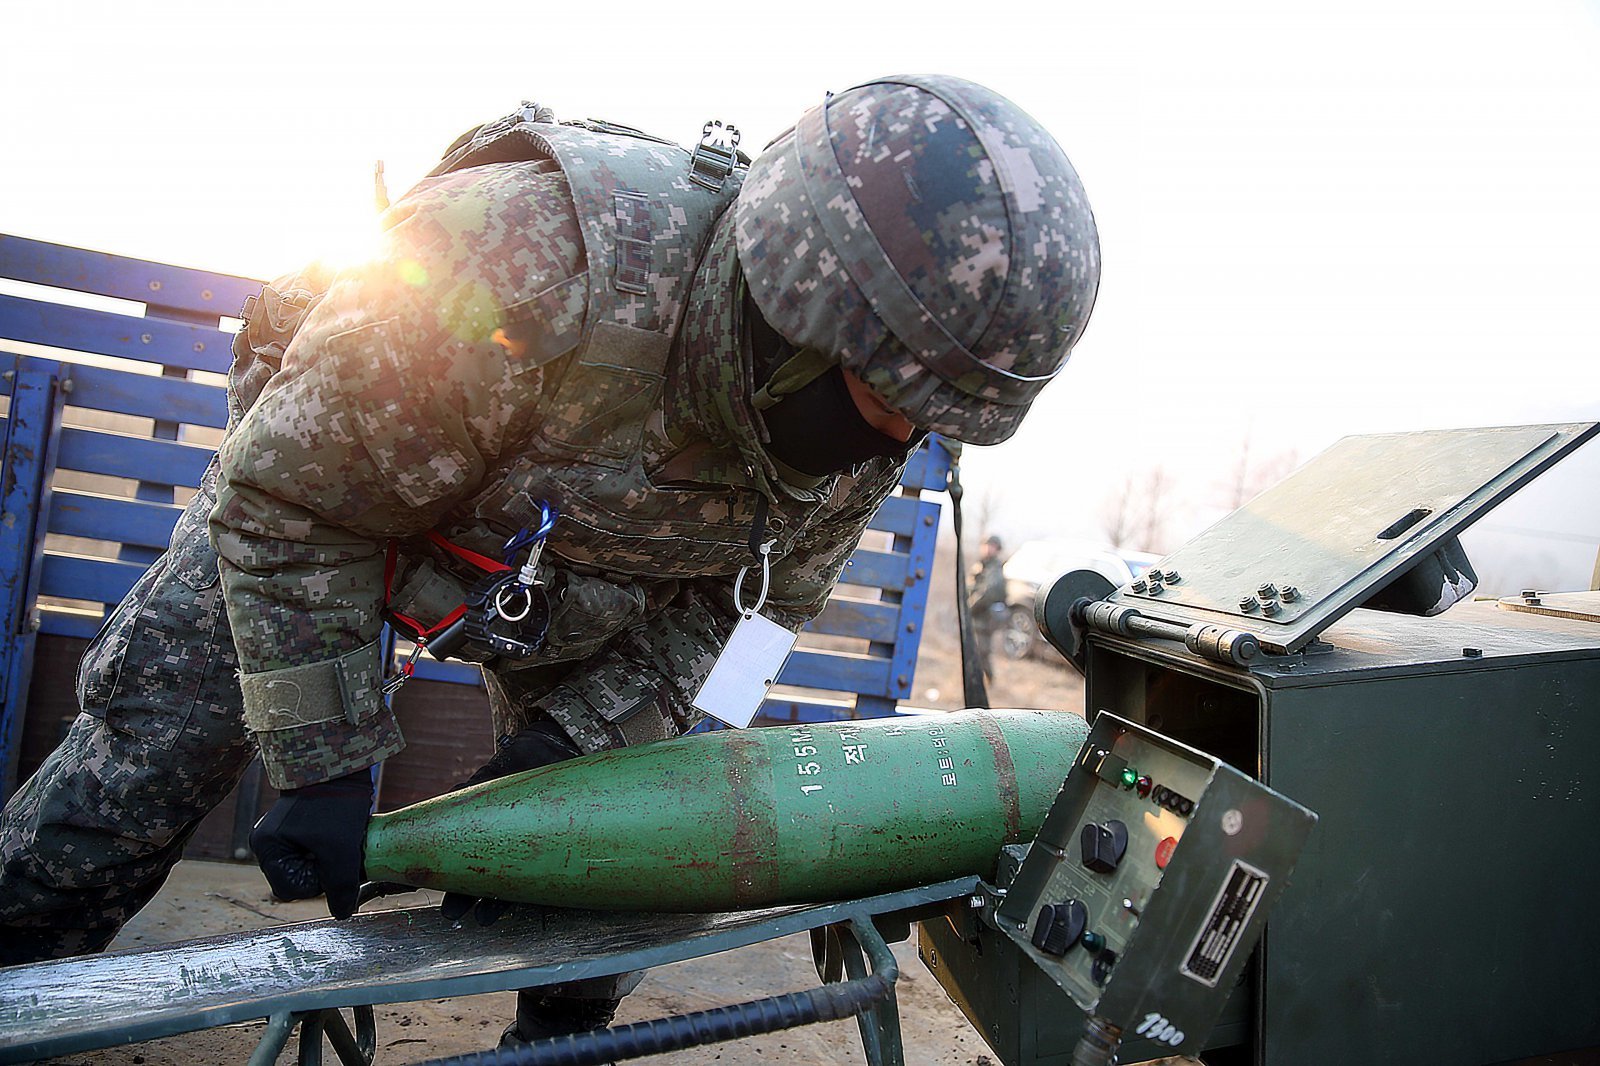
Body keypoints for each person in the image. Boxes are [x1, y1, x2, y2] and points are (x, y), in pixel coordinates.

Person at [0, 75, 1100, 1044]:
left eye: (935, 416)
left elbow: (751, 622)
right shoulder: (527, 253)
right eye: (894, 398)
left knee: (626, 849)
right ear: (805, 305)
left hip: (584, 585)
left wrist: (578, 742)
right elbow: (288, 502)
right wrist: (325, 755)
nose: (903, 441)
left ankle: (553, 1043)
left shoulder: (863, 429)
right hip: (335, 518)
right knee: (149, 752)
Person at [969, 535, 1010, 678]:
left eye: (991, 546)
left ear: (997, 549)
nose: (987, 549)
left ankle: (987, 680)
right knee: (973, 651)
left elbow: (988, 593)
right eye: (986, 545)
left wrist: (970, 607)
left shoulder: (995, 569)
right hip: (976, 616)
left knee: (982, 652)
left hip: (985, 618)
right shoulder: (981, 565)